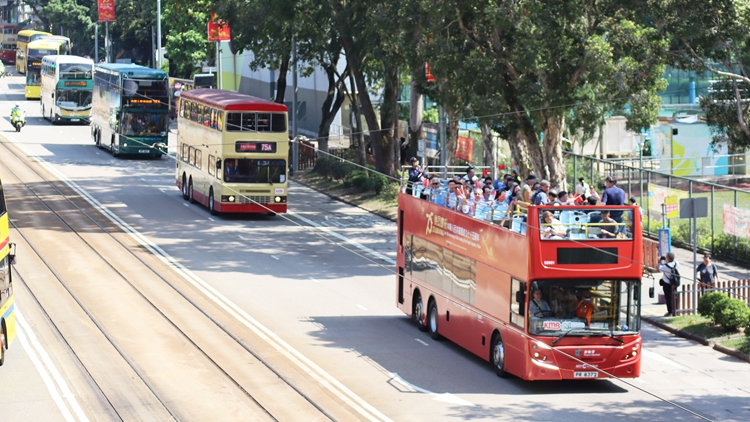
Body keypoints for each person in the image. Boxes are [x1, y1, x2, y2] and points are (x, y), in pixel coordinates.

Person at [659, 252, 680, 317]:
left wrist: (659, 261)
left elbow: (658, 269)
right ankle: (676, 310)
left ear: (667, 258)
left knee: (668, 298)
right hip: (675, 283)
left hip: (667, 284)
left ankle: (670, 311)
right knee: (675, 296)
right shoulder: (677, 263)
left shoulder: (665, 266)